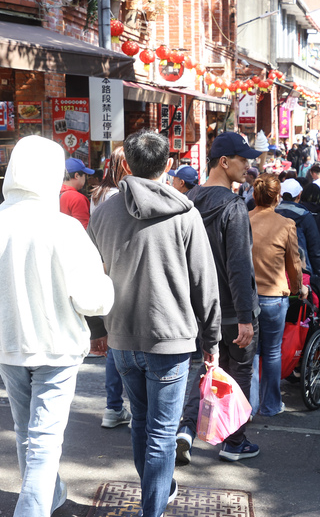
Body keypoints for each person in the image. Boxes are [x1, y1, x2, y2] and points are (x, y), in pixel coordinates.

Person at [0, 135, 114, 517]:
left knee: (25, 430)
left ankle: (52, 494)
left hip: (6, 342)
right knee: (45, 439)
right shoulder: (63, 228)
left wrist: (0, 301)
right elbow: (93, 299)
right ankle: (32, 510)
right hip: (56, 345)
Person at [88, 130, 219, 517]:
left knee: (141, 423)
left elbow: (89, 277)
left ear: (126, 165)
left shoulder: (102, 214)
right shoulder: (186, 213)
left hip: (122, 338)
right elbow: (204, 283)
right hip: (171, 339)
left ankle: (156, 495)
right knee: (161, 432)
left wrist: (98, 330)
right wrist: (212, 340)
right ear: (167, 167)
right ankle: (154, 505)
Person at [177, 131, 262, 463]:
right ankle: (234, 441)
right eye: (243, 159)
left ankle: (186, 428)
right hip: (230, 309)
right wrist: (245, 316)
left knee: (205, 370)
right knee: (237, 372)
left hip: (197, 309)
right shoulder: (234, 206)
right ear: (224, 162)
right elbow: (239, 265)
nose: (248, 166)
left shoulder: (189, 201)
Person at [248, 174, 306, 416]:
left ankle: (247, 406)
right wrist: (298, 288)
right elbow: (294, 263)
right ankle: (270, 404)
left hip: (246, 296)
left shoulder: (243, 219)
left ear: (255, 195)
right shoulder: (285, 224)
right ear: (277, 197)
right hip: (273, 296)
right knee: (271, 352)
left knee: (248, 354)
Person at [88, 147, 132, 428]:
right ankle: (115, 406)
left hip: (103, 269)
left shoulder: (97, 194)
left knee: (115, 343)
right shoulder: (118, 196)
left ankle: (113, 406)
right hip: (117, 270)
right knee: (119, 344)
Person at [276, 179, 320, 289]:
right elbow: (315, 249)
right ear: (299, 195)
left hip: (276, 272)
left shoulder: (272, 213)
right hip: (301, 272)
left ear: (280, 195)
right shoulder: (305, 216)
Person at [60, 157, 94, 229]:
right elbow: (83, 229)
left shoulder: (52, 193)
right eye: (85, 175)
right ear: (77, 176)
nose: (86, 178)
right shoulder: (77, 198)